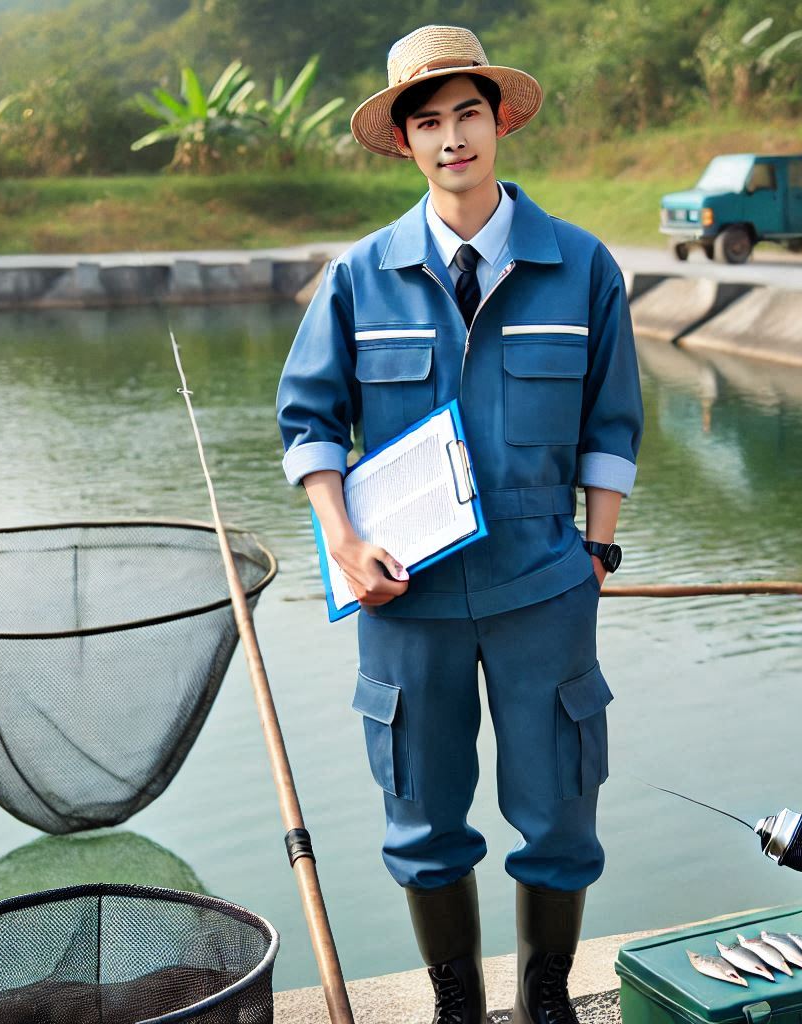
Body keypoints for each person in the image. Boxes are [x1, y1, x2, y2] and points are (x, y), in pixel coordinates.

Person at [275, 23, 643, 1024]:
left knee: (560, 813)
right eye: (427, 122)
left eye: (466, 116)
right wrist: (346, 545)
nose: (451, 140)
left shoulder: (581, 267)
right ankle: (456, 1009)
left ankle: (547, 1001)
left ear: (499, 123)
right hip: (406, 596)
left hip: (545, 588)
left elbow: (611, 422)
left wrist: (598, 545)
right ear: (404, 143)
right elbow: (306, 423)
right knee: (423, 823)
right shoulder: (359, 277)